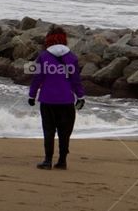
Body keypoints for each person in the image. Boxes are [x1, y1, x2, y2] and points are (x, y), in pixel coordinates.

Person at [28, 26, 85, 170]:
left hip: (47, 100)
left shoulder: (43, 57)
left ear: (49, 39)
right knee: (64, 132)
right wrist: (80, 97)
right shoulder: (72, 57)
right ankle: (62, 161)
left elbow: (37, 78)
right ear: (64, 39)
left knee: (49, 131)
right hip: (66, 100)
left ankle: (47, 161)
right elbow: (76, 81)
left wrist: (32, 95)